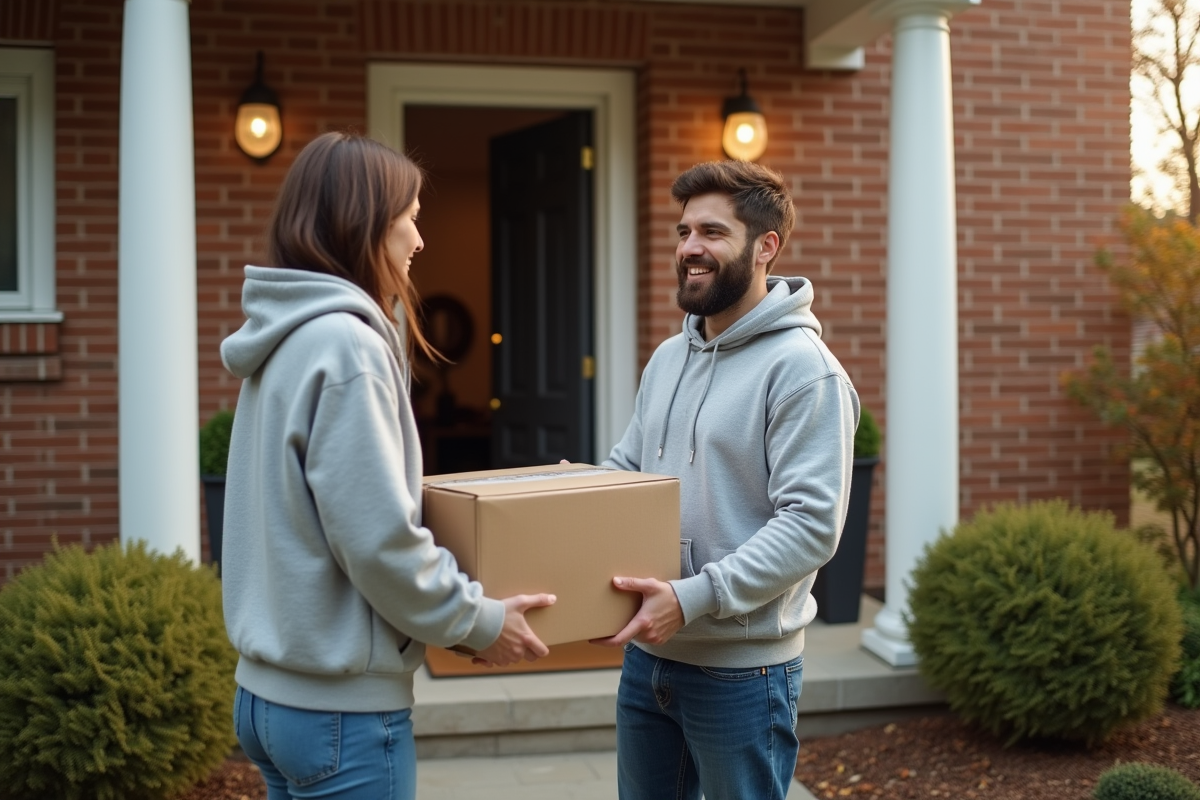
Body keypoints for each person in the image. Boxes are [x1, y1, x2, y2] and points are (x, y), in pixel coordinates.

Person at [219, 131, 554, 800]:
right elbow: (377, 542)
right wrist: (480, 623)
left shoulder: (287, 338)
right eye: (410, 217)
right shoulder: (347, 346)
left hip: (269, 700)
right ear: (365, 221)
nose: (418, 240)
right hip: (340, 717)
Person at [593, 160, 859, 800]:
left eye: (712, 232)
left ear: (766, 245)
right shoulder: (668, 356)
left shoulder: (804, 372)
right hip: (649, 658)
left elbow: (809, 527)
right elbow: (629, 470)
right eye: (683, 232)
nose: (689, 248)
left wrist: (694, 597)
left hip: (742, 674)